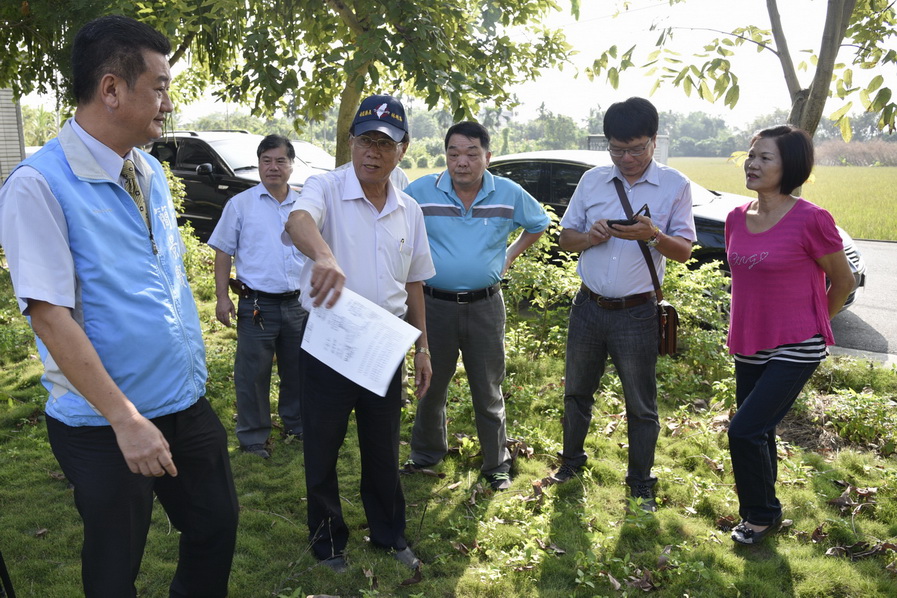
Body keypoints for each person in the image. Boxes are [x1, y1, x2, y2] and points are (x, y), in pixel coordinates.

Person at [0, 15, 238, 597]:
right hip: (104, 423)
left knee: (216, 523)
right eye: (158, 86)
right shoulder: (38, 185)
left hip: (182, 401)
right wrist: (126, 420)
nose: (168, 101)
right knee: (115, 565)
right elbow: (50, 315)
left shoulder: (150, 169)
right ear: (111, 89)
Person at [283, 94, 435, 572]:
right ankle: (328, 542)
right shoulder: (325, 188)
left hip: (384, 344)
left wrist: (422, 347)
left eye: (385, 144)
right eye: (366, 140)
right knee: (322, 449)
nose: (373, 152)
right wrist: (325, 256)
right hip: (330, 340)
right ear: (351, 142)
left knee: (383, 447)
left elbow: (413, 283)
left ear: (402, 150)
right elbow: (296, 220)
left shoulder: (409, 209)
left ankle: (389, 533)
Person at [551, 97, 696, 512]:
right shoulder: (593, 181)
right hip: (588, 306)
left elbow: (684, 251)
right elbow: (565, 239)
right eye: (617, 149)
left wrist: (652, 235)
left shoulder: (675, 185)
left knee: (641, 402)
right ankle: (572, 462)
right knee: (577, 391)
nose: (627, 158)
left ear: (654, 140)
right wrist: (591, 236)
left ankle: (640, 482)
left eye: (636, 148)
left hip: (637, 312)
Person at [403, 121, 549, 491]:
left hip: (485, 306)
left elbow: (538, 223)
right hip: (434, 306)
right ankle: (425, 455)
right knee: (430, 384)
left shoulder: (508, 193)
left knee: (487, 387)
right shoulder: (421, 192)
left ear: (488, 156)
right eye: (453, 154)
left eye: (470, 153)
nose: (461, 162)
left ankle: (495, 463)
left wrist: (511, 255)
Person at [725, 125, 854, 544]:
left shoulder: (811, 219)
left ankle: (759, 516)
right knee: (758, 431)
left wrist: (815, 326)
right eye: (752, 155)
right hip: (748, 344)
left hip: (797, 346)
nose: (753, 163)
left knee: (743, 430)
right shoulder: (735, 218)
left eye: (766, 158)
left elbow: (843, 281)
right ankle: (766, 511)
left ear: (790, 167)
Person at [208, 134, 307, 459]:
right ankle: (253, 438)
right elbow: (223, 251)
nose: (273, 167)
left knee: (298, 370)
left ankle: (297, 425)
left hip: (298, 304)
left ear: (292, 165)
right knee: (252, 374)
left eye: (280, 160)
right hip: (256, 306)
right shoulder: (241, 204)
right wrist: (223, 298)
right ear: (259, 164)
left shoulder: (305, 205)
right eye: (267, 161)